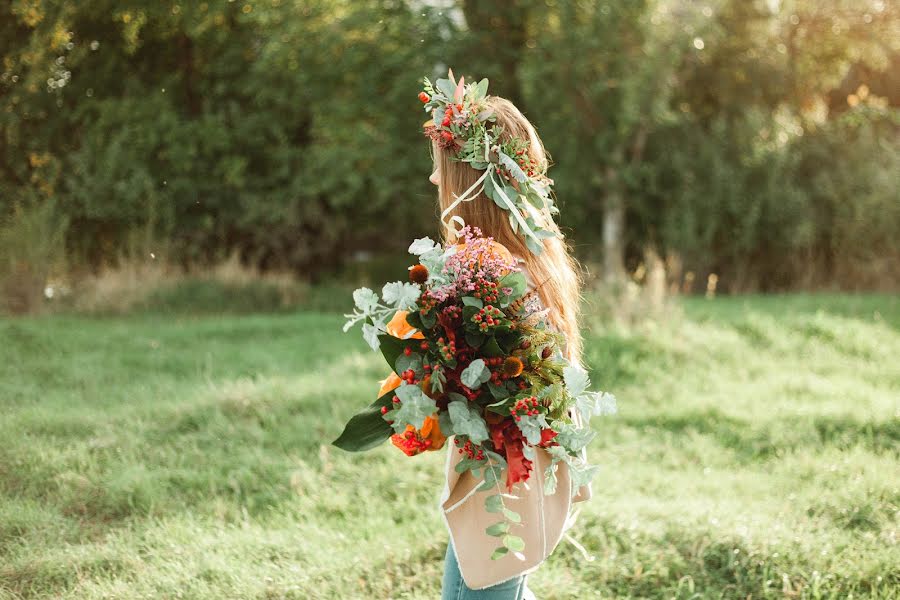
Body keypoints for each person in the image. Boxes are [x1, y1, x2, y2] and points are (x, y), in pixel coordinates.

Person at [424, 84, 592, 600]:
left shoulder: (492, 277)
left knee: (480, 586)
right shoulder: (528, 260)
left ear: (470, 180)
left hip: (506, 483)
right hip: (512, 479)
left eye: (441, 167)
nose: (433, 177)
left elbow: (491, 391)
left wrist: (424, 383)